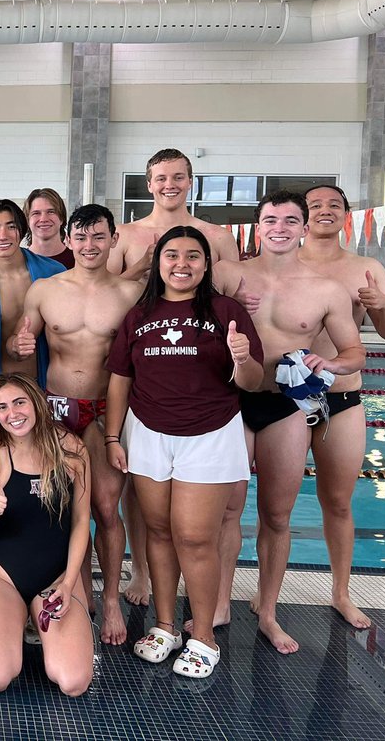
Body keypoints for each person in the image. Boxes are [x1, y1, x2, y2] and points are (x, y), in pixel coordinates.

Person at [104, 226, 264, 679]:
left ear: (207, 264)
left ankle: (204, 638)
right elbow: (121, 378)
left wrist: (241, 356)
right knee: (157, 531)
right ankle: (165, 625)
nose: (181, 264)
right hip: (149, 432)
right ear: (158, 262)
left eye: (193, 256)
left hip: (210, 434)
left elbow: (252, 381)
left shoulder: (226, 311)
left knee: (195, 537)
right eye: (171, 255)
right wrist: (114, 437)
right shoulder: (140, 313)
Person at [213, 189, 365, 654]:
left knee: (277, 515)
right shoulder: (226, 274)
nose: (280, 227)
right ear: (257, 227)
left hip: (285, 407)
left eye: (290, 220)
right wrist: (226, 312)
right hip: (231, 402)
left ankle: (269, 612)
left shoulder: (326, 290)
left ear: (303, 228)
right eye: (271, 219)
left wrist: (333, 365)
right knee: (226, 511)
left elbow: (354, 350)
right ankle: (218, 603)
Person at [7, 204, 142, 644]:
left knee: (105, 507)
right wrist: (18, 341)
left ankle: (110, 603)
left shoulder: (130, 294)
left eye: (98, 237)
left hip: (106, 408)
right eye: (81, 237)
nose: (89, 246)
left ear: (113, 239)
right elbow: (18, 346)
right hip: (56, 407)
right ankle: (78, 596)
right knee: (64, 511)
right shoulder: (44, 290)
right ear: (68, 240)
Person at [296, 184, 385, 630]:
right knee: (269, 505)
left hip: (342, 396)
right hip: (283, 401)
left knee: (338, 501)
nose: (325, 211)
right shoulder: (280, 263)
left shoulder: (365, 268)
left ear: (346, 215)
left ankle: (341, 593)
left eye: (334, 205)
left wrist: (381, 307)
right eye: (315, 205)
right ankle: (264, 595)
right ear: (303, 216)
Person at [0, 374, 93, 695]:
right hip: (2, 575)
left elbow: (81, 522)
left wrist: (68, 583)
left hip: (56, 576)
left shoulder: (71, 449)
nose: (13, 413)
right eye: (2, 407)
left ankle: (32, 619)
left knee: (74, 683)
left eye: (20, 402)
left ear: (36, 402)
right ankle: (8, 618)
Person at [0, 199, 64, 432]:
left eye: (11, 226)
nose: (3, 234)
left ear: (22, 230)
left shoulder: (54, 273)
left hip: (48, 387)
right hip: (0, 394)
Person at [106, 149, 240, 278]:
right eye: (161, 179)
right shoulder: (121, 235)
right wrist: (141, 266)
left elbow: (233, 291)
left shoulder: (221, 238)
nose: (169, 185)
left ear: (190, 182)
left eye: (178, 177)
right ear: (149, 185)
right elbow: (104, 292)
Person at [24, 188, 74, 269]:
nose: (43, 219)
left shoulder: (78, 262)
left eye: (51, 212)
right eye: (36, 213)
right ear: (27, 220)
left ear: (61, 218)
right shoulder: (18, 262)